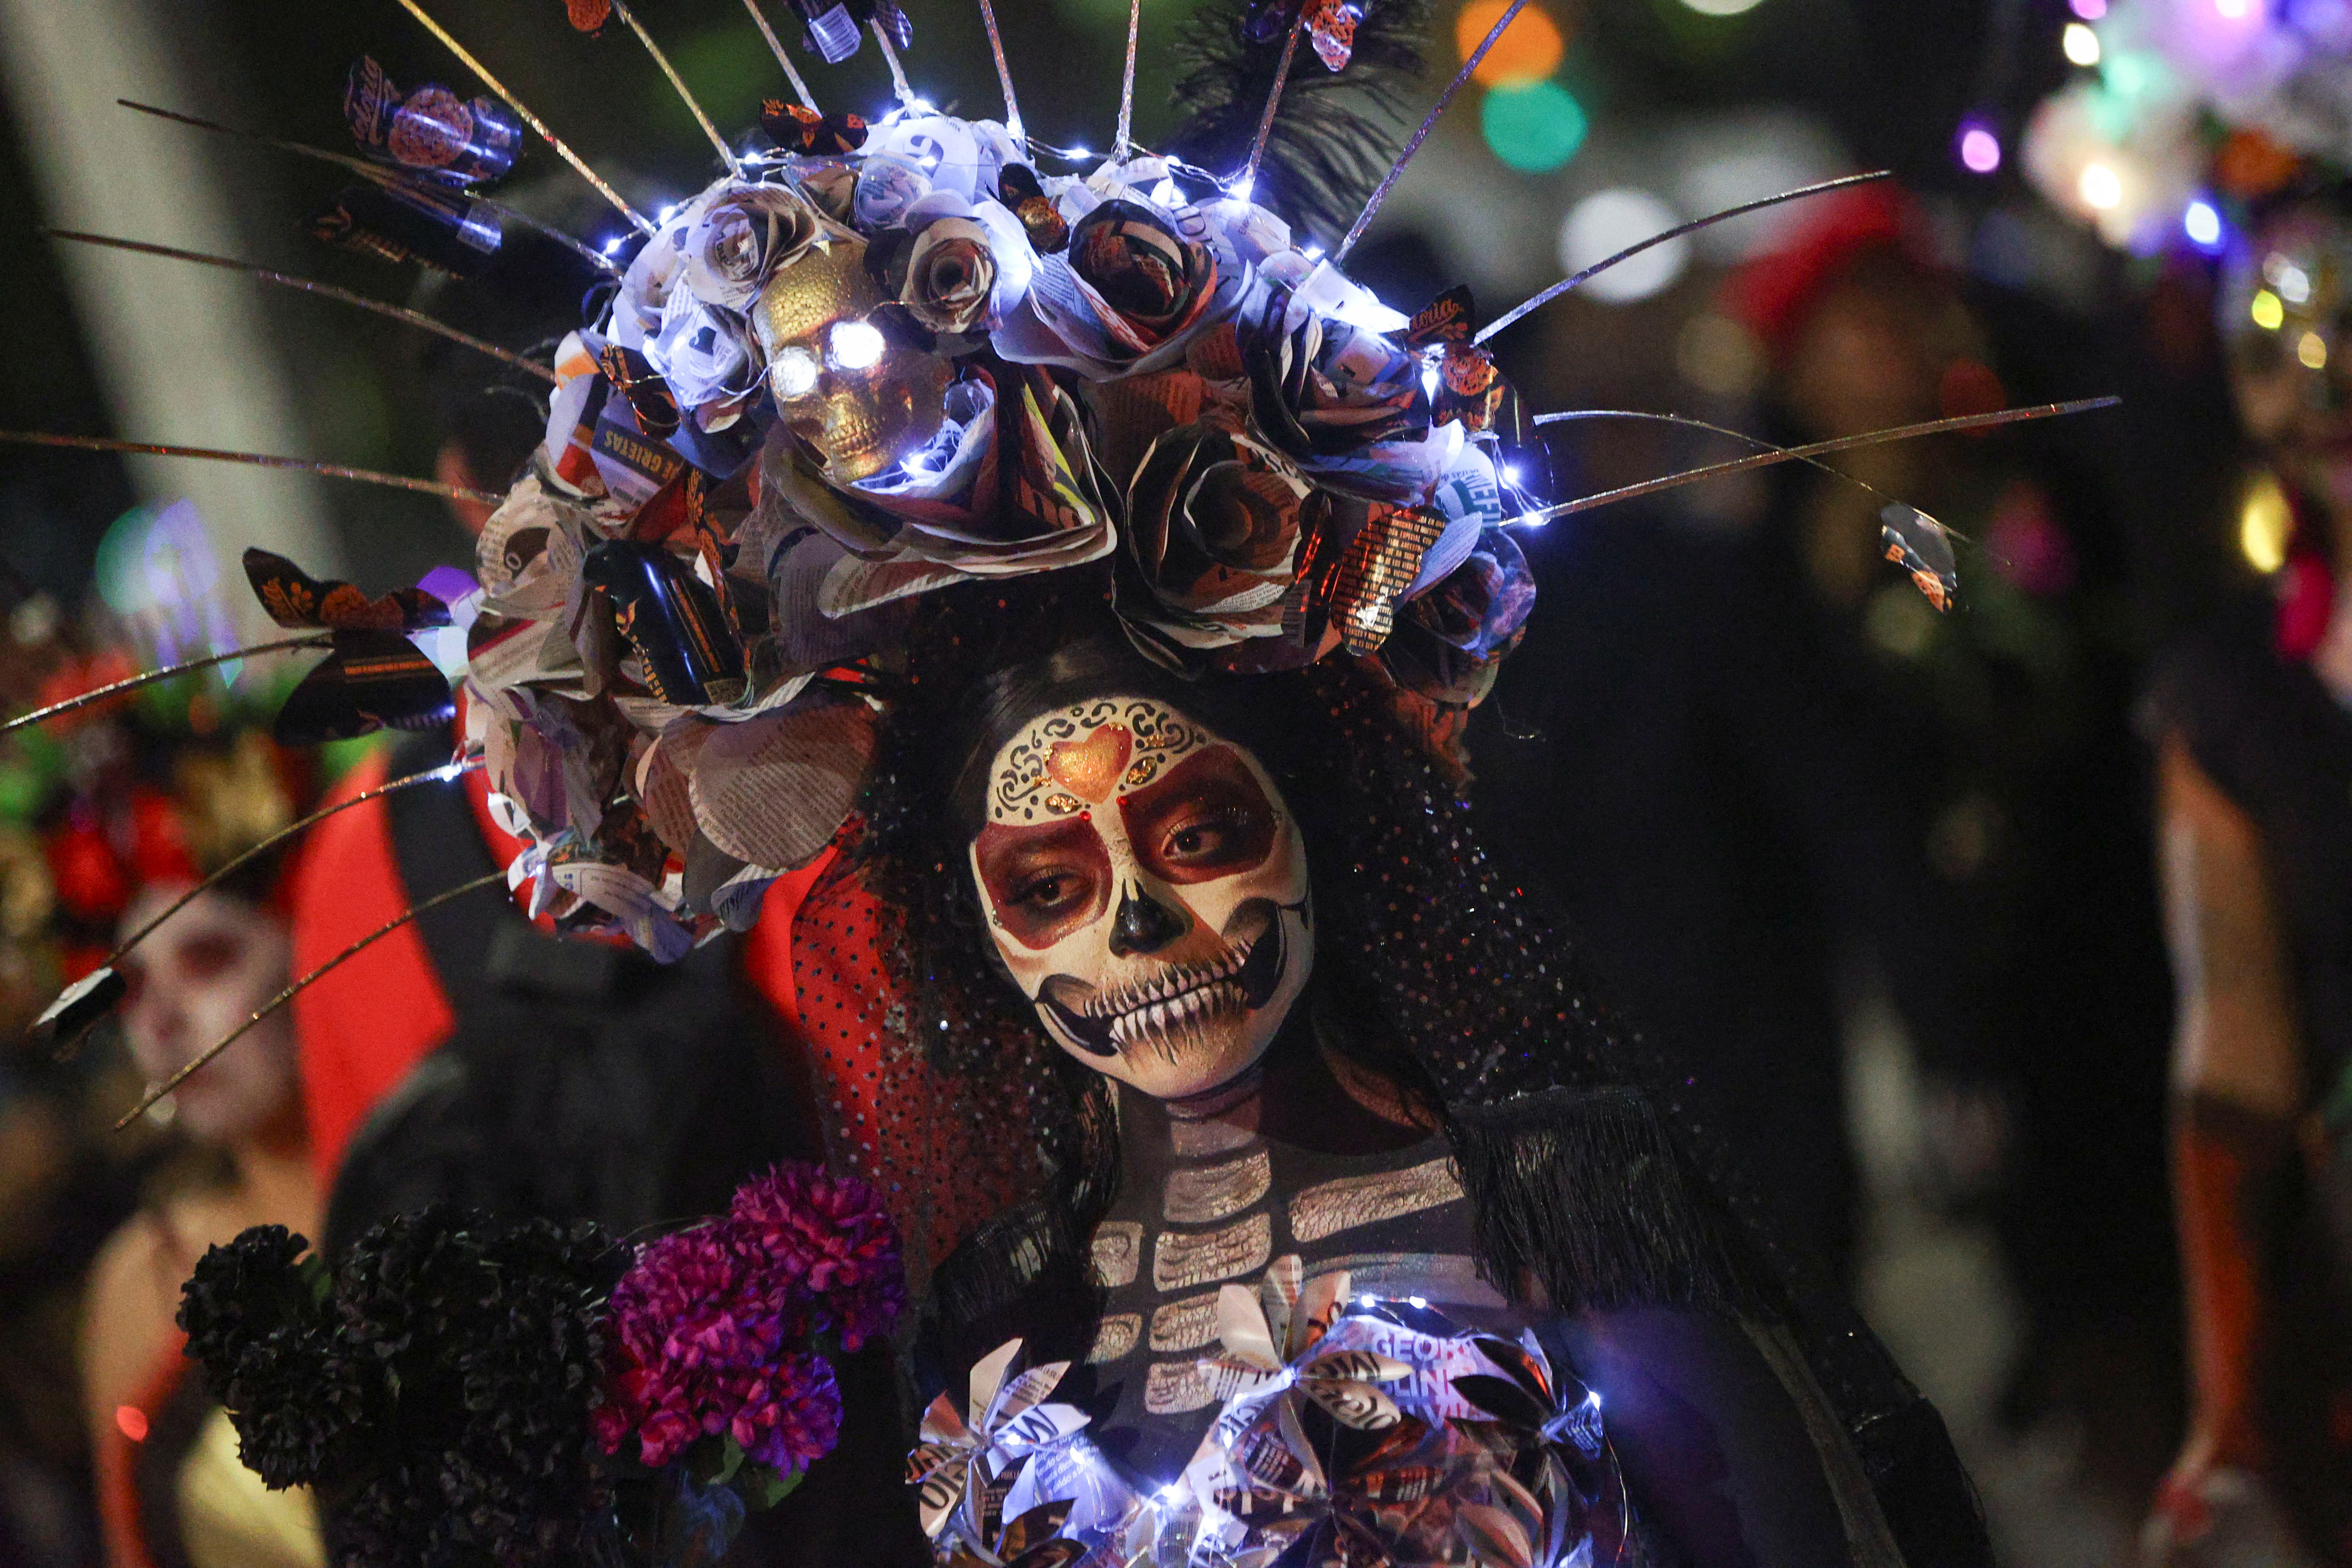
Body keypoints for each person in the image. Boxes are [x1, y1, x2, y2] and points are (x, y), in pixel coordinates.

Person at [780, 583, 1991, 1568]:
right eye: (1052, 888)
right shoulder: (999, 1311)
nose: (1138, 925)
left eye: (1194, 838)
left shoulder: (1559, 1204)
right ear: (981, 939)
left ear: (1313, 823)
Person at [2142, 191, 2352, 1567]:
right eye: (2274, 347)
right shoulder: (2230, 699)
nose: (2324, 386)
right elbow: (2239, 1060)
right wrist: (2230, 1409)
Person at [73, 729, 326, 1568]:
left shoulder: (455, 1181)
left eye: (208, 958)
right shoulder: (144, 1279)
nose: (161, 1023)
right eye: (132, 986)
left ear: (313, 948)